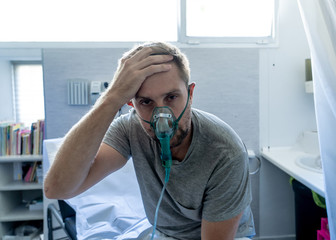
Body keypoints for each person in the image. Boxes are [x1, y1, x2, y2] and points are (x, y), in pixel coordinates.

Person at [44, 41, 255, 240]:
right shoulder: (130, 128)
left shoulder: (225, 153)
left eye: (171, 97)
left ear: (190, 94)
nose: (162, 117)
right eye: (146, 101)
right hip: (163, 232)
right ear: (132, 104)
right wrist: (111, 98)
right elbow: (58, 189)